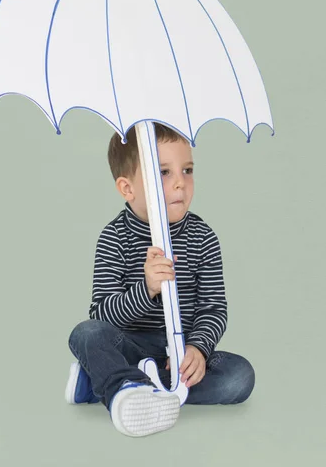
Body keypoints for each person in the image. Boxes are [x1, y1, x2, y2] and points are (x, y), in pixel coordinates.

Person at [65, 123, 255, 437]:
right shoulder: (115, 238)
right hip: (128, 345)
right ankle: (126, 382)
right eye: (164, 172)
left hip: (177, 355)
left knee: (239, 377)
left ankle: (110, 384)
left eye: (188, 169)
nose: (181, 183)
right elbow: (102, 315)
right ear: (128, 188)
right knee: (86, 334)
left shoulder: (203, 238)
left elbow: (213, 309)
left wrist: (198, 348)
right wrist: (146, 289)